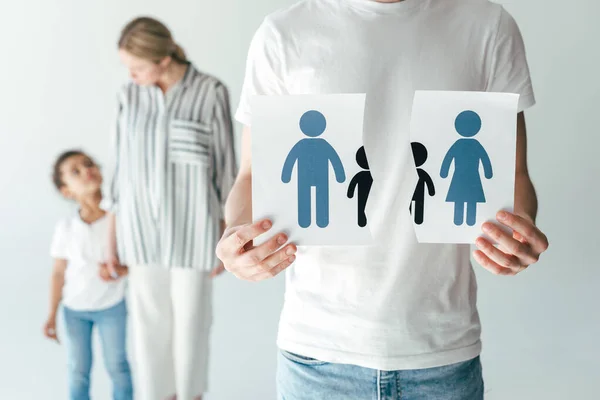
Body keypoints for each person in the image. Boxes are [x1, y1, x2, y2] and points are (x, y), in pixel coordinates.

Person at [217, 0, 549, 399]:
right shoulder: (283, 33)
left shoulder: (487, 26)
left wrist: (517, 231)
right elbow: (253, 176)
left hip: (442, 352)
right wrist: (237, 239)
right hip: (318, 356)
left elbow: (513, 173)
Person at [105, 17, 237, 400]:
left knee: (192, 327)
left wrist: (227, 233)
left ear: (163, 59)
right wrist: (110, 243)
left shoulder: (211, 91)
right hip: (139, 232)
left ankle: (191, 396)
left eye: (137, 67)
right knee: (148, 330)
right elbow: (118, 173)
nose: (131, 75)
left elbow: (227, 168)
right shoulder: (127, 96)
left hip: (195, 234)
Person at [43, 150, 132, 400]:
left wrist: (122, 270)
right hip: (75, 311)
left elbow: (137, 261)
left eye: (89, 164)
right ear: (66, 191)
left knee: (118, 366)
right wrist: (51, 314)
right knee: (78, 370)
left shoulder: (121, 219)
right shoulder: (66, 228)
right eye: (75, 171)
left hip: (112, 307)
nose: (86, 170)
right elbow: (58, 273)